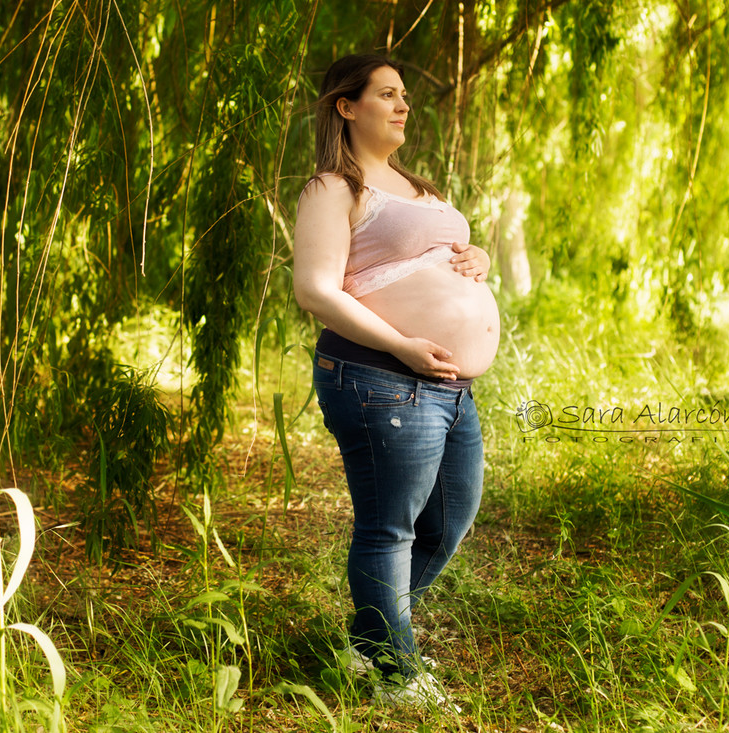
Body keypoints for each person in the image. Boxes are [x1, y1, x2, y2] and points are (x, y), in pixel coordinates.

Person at [292, 53, 500, 710]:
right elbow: (315, 289)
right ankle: (397, 675)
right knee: (391, 529)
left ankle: (370, 639)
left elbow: (443, 257)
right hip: (381, 377)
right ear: (345, 107)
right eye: (387, 94)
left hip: (448, 387)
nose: (403, 104)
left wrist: (479, 256)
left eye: (404, 94)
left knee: (448, 521)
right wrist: (403, 345)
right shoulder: (333, 189)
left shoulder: (420, 186)